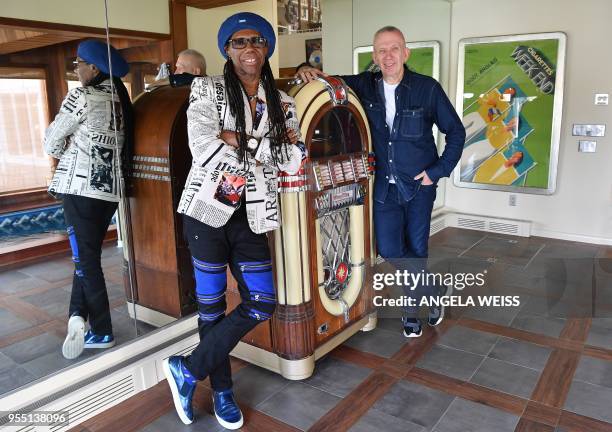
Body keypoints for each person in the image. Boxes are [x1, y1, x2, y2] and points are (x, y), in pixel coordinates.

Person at [163, 12, 306, 429]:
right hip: (206, 214)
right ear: (227, 48)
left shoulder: (284, 102)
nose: (249, 48)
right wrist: (263, 145)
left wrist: (237, 139)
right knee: (210, 312)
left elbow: (294, 158)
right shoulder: (206, 89)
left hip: (253, 214)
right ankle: (223, 393)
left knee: (261, 302)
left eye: (257, 40)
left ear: (266, 48)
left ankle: (187, 370)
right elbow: (202, 146)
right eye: (239, 41)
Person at [298, 26, 465, 337]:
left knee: (416, 249)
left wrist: (437, 171)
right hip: (383, 188)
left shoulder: (427, 88)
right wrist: (306, 70)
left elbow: (456, 132)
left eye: (394, 49)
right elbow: (328, 82)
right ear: (374, 56)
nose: (388, 56)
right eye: (382, 51)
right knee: (388, 248)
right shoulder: (365, 85)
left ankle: (411, 314)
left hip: (419, 187)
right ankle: (433, 290)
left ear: (405, 53)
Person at [44, 39, 133, 359]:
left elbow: (51, 142)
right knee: (87, 256)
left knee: (87, 261)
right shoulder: (121, 98)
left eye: (79, 63)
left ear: (94, 67)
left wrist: (63, 146)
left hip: (80, 192)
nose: (77, 69)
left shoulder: (82, 95)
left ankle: (103, 329)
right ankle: (77, 316)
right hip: (108, 192)